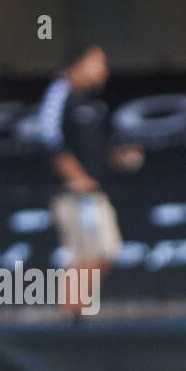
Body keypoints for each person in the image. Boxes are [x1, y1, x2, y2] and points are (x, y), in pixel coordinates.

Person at [38, 44, 141, 316]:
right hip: (72, 194)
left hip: (95, 191)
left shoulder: (93, 100)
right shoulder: (61, 92)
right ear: (79, 63)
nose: (103, 70)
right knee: (85, 253)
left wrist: (122, 158)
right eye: (98, 63)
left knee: (105, 250)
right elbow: (49, 138)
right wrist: (77, 178)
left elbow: (102, 148)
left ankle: (77, 312)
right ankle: (70, 315)